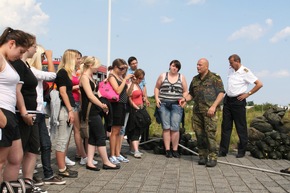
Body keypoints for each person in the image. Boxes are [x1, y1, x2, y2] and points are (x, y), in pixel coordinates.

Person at [28, 45, 66, 185]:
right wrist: (50, 57)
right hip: (31, 112)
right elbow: (52, 75)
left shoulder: (34, 71)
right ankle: (30, 175)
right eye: (42, 56)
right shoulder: (31, 70)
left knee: (45, 144)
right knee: (32, 147)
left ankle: (47, 175)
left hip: (39, 112)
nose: (44, 59)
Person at [0, 27, 34, 183]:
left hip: (10, 114)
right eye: (21, 51)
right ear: (11, 43)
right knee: (0, 162)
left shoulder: (7, 61)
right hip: (3, 114)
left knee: (15, 158)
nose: (21, 56)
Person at [179, 58, 225, 167]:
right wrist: (185, 99)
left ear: (206, 66)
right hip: (197, 112)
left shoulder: (215, 78)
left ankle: (213, 157)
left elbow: (221, 93)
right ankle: (202, 156)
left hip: (210, 112)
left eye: (200, 65)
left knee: (210, 135)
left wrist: (213, 106)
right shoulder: (195, 79)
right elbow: (191, 94)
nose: (197, 67)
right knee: (199, 135)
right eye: (197, 65)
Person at [79, 56, 120, 170]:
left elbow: (97, 93)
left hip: (94, 109)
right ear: (91, 66)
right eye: (97, 65)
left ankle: (90, 162)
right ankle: (106, 161)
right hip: (90, 110)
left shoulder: (90, 77)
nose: (98, 67)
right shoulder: (84, 78)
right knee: (101, 135)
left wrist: (104, 104)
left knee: (92, 137)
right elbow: (90, 96)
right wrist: (101, 105)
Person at [219, 54, 263, 158]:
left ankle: (241, 150)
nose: (230, 65)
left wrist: (248, 94)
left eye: (231, 63)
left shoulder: (245, 71)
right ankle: (223, 150)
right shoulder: (230, 70)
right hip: (228, 100)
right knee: (225, 126)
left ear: (237, 61)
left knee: (240, 126)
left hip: (238, 100)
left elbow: (259, 84)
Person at [154, 60, 188, 158]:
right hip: (164, 103)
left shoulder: (181, 77)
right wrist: (156, 99)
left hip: (176, 105)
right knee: (166, 127)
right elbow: (157, 87)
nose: (174, 68)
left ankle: (175, 149)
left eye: (176, 67)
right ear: (170, 66)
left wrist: (184, 101)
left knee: (175, 127)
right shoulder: (163, 76)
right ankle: (167, 149)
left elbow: (185, 91)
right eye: (173, 66)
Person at [54, 49, 79, 178]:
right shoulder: (63, 73)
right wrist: (70, 109)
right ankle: (62, 169)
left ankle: (63, 166)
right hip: (65, 109)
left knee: (65, 138)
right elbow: (63, 92)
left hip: (69, 108)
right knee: (62, 140)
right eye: (77, 58)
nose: (78, 61)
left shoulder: (66, 73)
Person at [108, 58, 134, 165]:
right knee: (114, 131)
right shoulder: (111, 76)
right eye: (121, 68)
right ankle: (112, 154)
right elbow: (117, 90)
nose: (123, 70)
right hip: (115, 105)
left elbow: (128, 94)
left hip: (123, 104)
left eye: (125, 68)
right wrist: (124, 80)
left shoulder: (121, 77)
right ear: (115, 67)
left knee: (119, 131)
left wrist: (132, 83)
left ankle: (117, 153)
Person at [126, 69, 149, 158]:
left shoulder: (139, 85)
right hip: (134, 109)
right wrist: (132, 83)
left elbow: (141, 95)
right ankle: (135, 150)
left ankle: (133, 148)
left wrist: (145, 100)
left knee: (142, 126)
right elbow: (129, 96)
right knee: (135, 129)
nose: (140, 80)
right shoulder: (130, 84)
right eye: (139, 78)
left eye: (141, 79)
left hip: (140, 107)